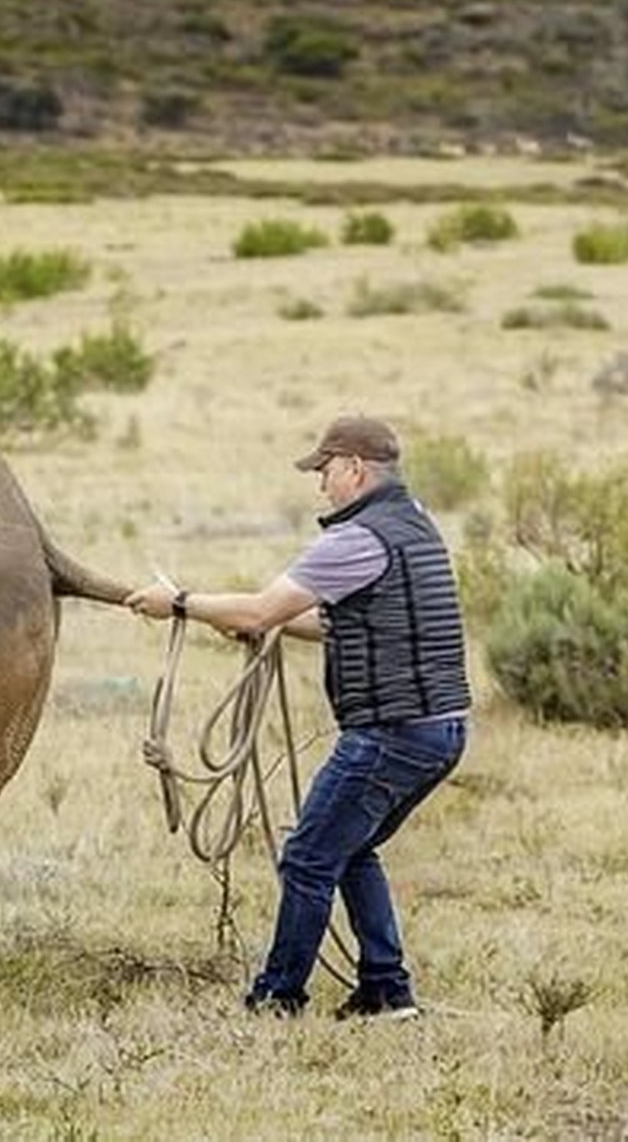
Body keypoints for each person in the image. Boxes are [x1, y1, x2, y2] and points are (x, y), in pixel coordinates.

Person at [124, 414, 469, 1020]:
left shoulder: (357, 539)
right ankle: (387, 989)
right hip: (439, 728)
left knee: (309, 856)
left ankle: (278, 997)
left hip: (390, 732)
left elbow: (259, 609)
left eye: (326, 471)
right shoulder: (414, 525)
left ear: (356, 469)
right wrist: (263, 622)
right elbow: (341, 622)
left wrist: (178, 604)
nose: (321, 485)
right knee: (353, 848)